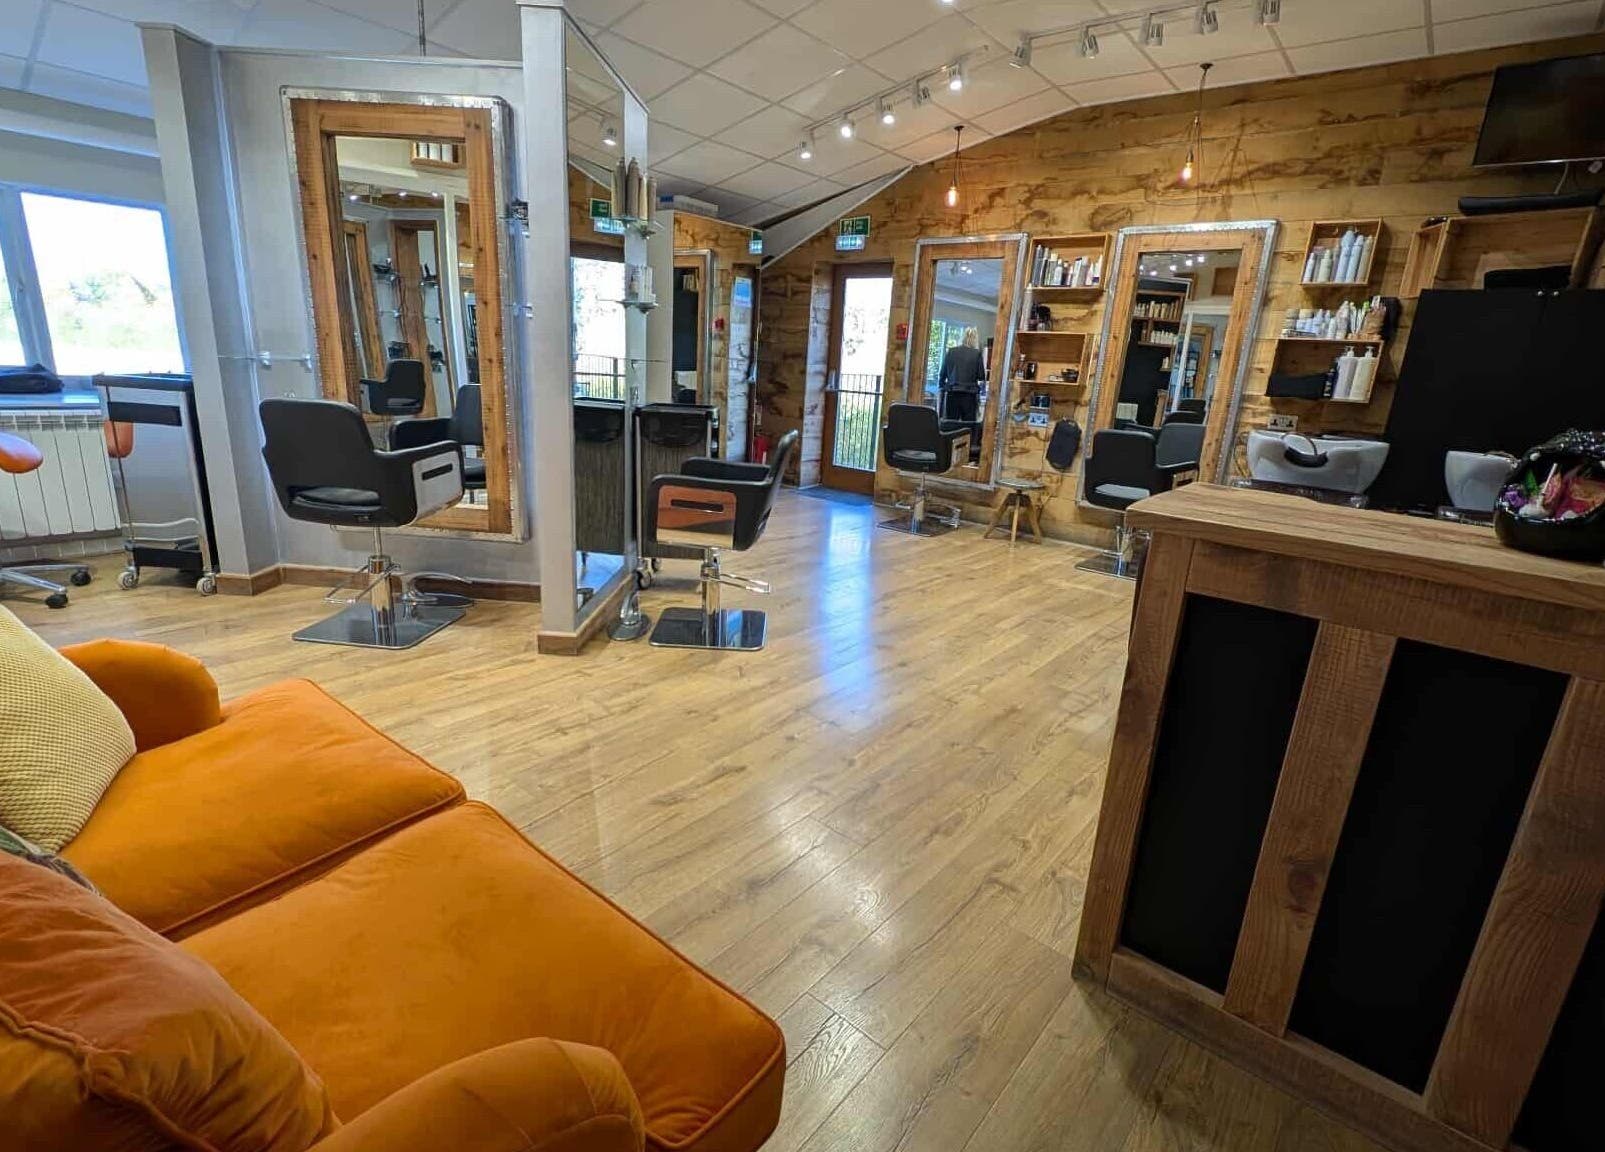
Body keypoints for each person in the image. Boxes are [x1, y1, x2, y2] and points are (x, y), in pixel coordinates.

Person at [937, 328, 984, 423]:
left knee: (950, 424)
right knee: (968, 427)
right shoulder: (976, 354)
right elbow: (981, 375)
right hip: (969, 395)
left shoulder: (951, 352)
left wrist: (943, 387)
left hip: (952, 392)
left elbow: (942, 374)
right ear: (975, 340)